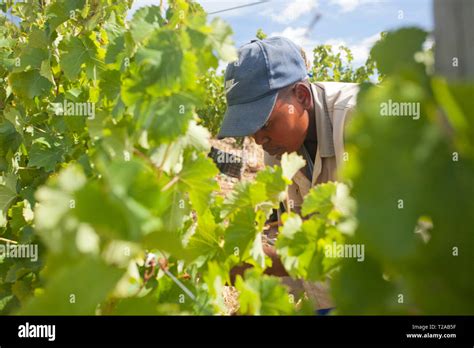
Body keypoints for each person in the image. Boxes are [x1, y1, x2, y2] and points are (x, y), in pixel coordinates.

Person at [217, 36, 359, 311]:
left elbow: (394, 240)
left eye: (265, 124)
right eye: (251, 129)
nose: (259, 141)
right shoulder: (278, 150)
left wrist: (280, 258)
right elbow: (295, 237)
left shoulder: (360, 120)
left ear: (302, 96)